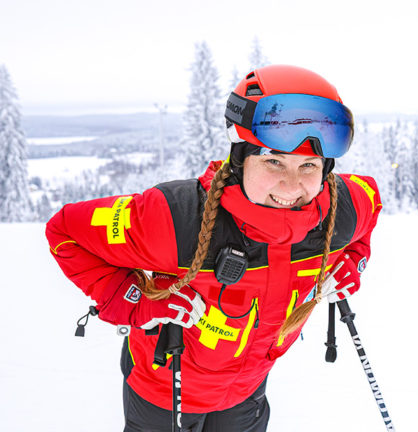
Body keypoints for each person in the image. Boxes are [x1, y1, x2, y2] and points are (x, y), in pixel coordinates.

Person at [45, 65, 382, 432]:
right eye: (273, 161)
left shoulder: (341, 208)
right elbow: (67, 232)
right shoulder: (173, 219)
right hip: (163, 393)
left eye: (308, 165)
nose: (291, 186)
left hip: (247, 393)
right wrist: (133, 300)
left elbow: (372, 202)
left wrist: (354, 260)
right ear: (240, 157)